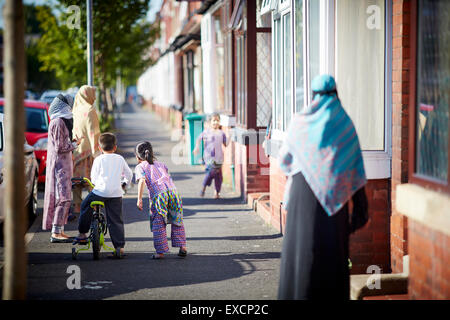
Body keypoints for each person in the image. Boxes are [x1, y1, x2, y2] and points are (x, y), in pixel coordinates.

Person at [277, 75, 369, 300]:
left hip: (301, 196)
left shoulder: (299, 122)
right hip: (333, 203)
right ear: (336, 94)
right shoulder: (345, 124)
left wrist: (306, 165)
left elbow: (285, 161)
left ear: (313, 95)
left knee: (300, 255)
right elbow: (354, 168)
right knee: (332, 259)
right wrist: (360, 209)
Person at [74, 132, 132, 258]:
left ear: (100, 148)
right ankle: (119, 247)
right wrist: (124, 184)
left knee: (85, 205)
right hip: (116, 193)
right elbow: (129, 174)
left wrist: (97, 184)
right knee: (116, 219)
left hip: (100, 192)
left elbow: (93, 178)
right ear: (115, 147)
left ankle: (83, 233)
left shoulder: (98, 159)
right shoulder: (120, 159)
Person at [135, 141, 187, 259]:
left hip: (159, 195)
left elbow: (142, 181)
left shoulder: (140, 167)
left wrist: (139, 199)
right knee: (176, 219)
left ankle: (160, 252)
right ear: (152, 153)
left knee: (158, 222)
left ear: (137, 157)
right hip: (174, 193)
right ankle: (182, 246)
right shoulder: (161, 164)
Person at [43, 94, 83, 243]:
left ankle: (59, 231)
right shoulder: (59, 122)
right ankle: (56, 232)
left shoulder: (58, 120)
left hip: (62, 165)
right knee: (63, 198)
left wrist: (72, 142)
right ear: (64, 106)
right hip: (60, 167)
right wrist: (75, 144)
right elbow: (60, 147)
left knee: (64, 198)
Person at [72, 85, 101, 216]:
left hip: (76, 150)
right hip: (89, 151)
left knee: (77, 181)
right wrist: (97, 151)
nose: (94, 96)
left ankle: (77, 207)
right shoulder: (90, 110)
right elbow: (93, 132)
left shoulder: (75, 109)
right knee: (91, 180)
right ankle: (94, 207)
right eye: (93, 93)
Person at [193, 113, 228, 199]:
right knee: (210, 173)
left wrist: (229, 137)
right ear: (210, 122)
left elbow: (225, 144)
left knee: (218, 176)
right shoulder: (207, 132)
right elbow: (199, 138)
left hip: (219, 158)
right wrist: (197, 147)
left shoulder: (221, 133)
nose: (215, 122)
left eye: (217, 120)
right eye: (214, 120)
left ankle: (217, 192)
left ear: (220, 122)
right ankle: (204, 187)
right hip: (208, 157)